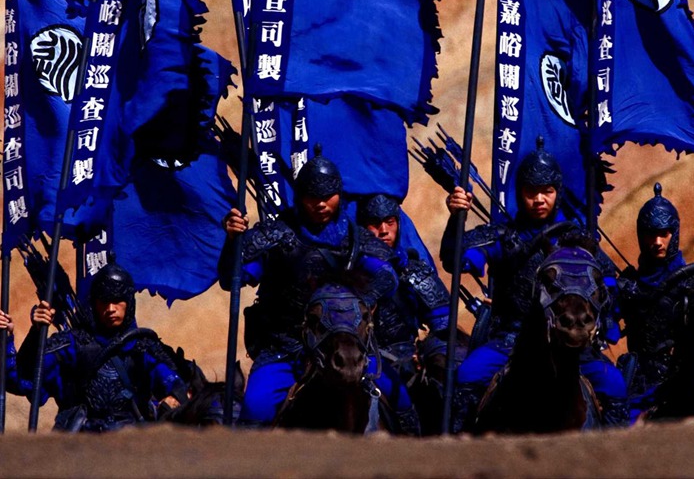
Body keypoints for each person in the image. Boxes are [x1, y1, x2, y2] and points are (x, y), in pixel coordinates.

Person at [442, 139, 627, 429]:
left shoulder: (577, 239)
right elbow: (457, 260)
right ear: (519, 193)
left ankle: (617, 457)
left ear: (558, 192)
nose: (539, 199)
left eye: (547, 191)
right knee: (467, 375)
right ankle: (460, 451)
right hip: (511, 339)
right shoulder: (503, 236)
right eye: (531, 191)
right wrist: (456, 218)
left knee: (614, 385)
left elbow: (607, 283)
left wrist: (602, 319)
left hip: (569, 339)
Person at [219, 147, 399, 425]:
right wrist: (233, 242)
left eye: (328, 197)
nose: (320, 204)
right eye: (312, 197)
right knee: (255, 407)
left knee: (399, 397)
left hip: (347, 345)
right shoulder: (277, 236)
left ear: (340, 195)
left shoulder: (355, 239)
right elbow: (235, 277)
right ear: (299, 196)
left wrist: (364, 298)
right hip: (286, 347)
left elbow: (387, 274)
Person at [0, 262, 187, 432]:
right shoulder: (71, 345)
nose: (110, 309)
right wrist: (15, 337)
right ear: (94, 303)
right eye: (104, 302)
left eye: (118, 301)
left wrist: (171, 400)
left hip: (132, 445)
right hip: (78, 445)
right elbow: (21, 380)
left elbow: (177, 386)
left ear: (129, 304)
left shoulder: (144, 347)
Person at [356, 193, 450, 435]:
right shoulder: (347, 272)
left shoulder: (413, 271)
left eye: (390, 222)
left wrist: (432, 355)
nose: (384, 231)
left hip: (406, 362)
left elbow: (444, 326)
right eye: (375, 224)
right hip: (355, 360)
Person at [616, 183, 694, 422]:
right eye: (650, 234)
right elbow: (606, 325)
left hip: (681, 378)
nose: (657, 241)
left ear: (673, 233)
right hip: (637, 378)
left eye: (664, 233)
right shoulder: (629, 286)